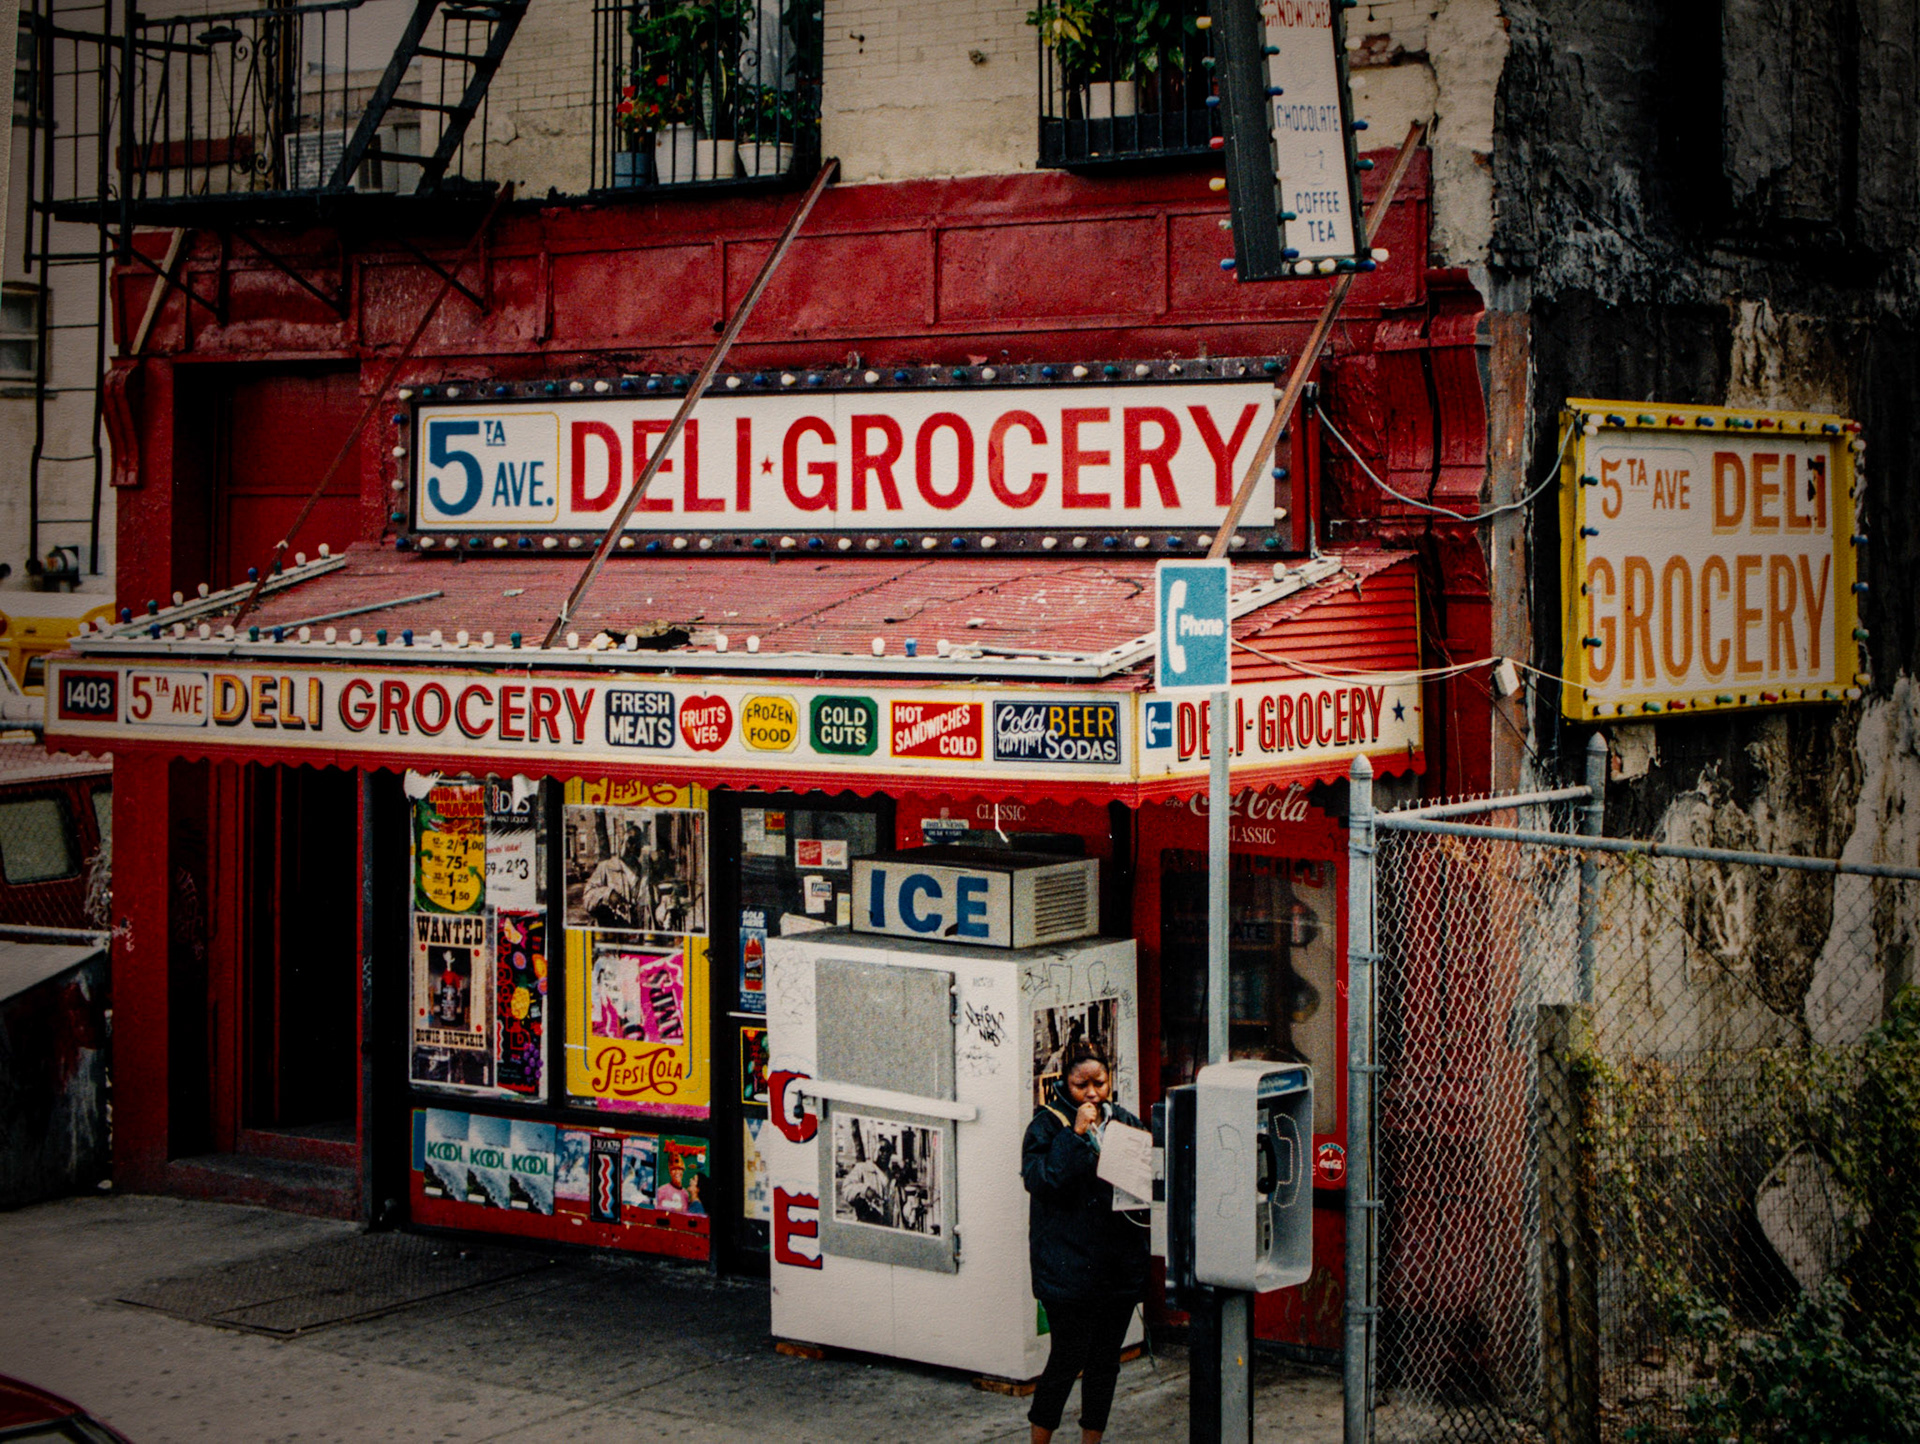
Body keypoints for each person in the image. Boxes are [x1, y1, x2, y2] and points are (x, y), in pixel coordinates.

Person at [1021, 1041, 1149, 1444]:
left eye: (1100, 1082)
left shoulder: (1124, 1121)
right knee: (1067, 1356)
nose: (1092, 1093)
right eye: (1081, 1085)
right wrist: (1074, 1137)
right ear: (1065, 1084)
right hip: (1067, 1269)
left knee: (1105, 1361)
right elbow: (1041, 1180)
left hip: (1116, 1267)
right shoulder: (1046, 1126)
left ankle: (1090, 1440)